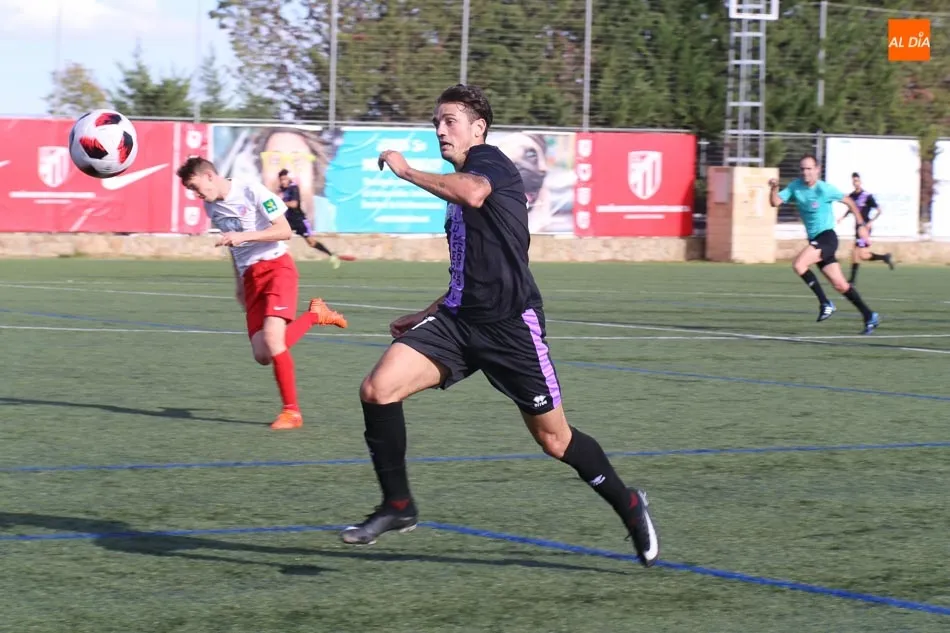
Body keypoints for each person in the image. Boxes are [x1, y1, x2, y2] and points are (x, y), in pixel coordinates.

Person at [337, 84, 660, 568]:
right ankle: (398, 505)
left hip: (510, 328)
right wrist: (426, 313)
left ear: (479, 128)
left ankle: (629, 503)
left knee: (555, 440)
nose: (440, 129)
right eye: (436, 122)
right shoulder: (459, 184)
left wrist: (405, 171)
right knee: (378, 389)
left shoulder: (488, 162)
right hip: (458, 322)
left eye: (449, 120)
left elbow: (473, 192)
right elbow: (471, 267)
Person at [175, 157, 348, 430]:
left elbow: (284, 230)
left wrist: (244, 236)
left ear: (209, 176)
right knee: (262, 355)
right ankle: (315, 315)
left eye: (195, 187)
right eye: (190, 190)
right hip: (250, 278)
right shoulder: (211, 207)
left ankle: (292, 412)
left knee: (273, 339)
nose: (195, 194)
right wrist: (238, 283)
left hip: (277, 268)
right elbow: (233, 246)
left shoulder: (250, 190)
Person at [769, 155, 880, 334]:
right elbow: (775, 202)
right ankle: (869, 315)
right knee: (841, 285)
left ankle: (825, 303)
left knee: (799, 264)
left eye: (809, 168)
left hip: (827, 238)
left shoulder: (824, 189)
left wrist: (861, 225)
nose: (805, 172)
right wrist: (774, 188)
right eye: (802, 169)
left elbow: (850, 202)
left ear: (817, 169)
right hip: (816, 240)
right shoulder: (795, 187)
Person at [277, 168, 342, 269]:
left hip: (299, 220)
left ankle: (332, 256)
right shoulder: (283, 189)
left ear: (289, 179)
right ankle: (276, 260)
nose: (283, 181)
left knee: (311, 243)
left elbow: (294, 204)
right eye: (281, 179)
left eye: (285, 179)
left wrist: (280, 202)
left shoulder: (293, 188)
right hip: (289, 220)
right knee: (277, 235)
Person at [846, 172, 894, 284]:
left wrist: (870, 222)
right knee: (860, 255)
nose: (855, 183)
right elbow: (851, 209)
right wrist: (842, 217)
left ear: (860, 181)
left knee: (857, 253)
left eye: (857, 180)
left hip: (864, 229)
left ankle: (852, 280)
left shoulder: (867, 196)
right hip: (858, 228)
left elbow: (879, 211)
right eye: (854, 181)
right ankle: (885, 257)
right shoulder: (852, 196)